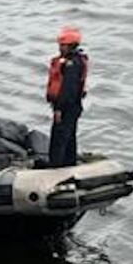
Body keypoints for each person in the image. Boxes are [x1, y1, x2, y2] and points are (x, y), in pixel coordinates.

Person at [45, 26, 90, 168]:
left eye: (63, 45)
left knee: (59, 138)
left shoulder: (71, 65)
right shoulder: (74, 60)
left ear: (71, 46)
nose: (60, 48)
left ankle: (55, 167)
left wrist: (59, 109)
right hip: (72, 106)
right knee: (69, 137)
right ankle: (69, 164)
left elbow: (67, 90)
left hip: (67, 106)